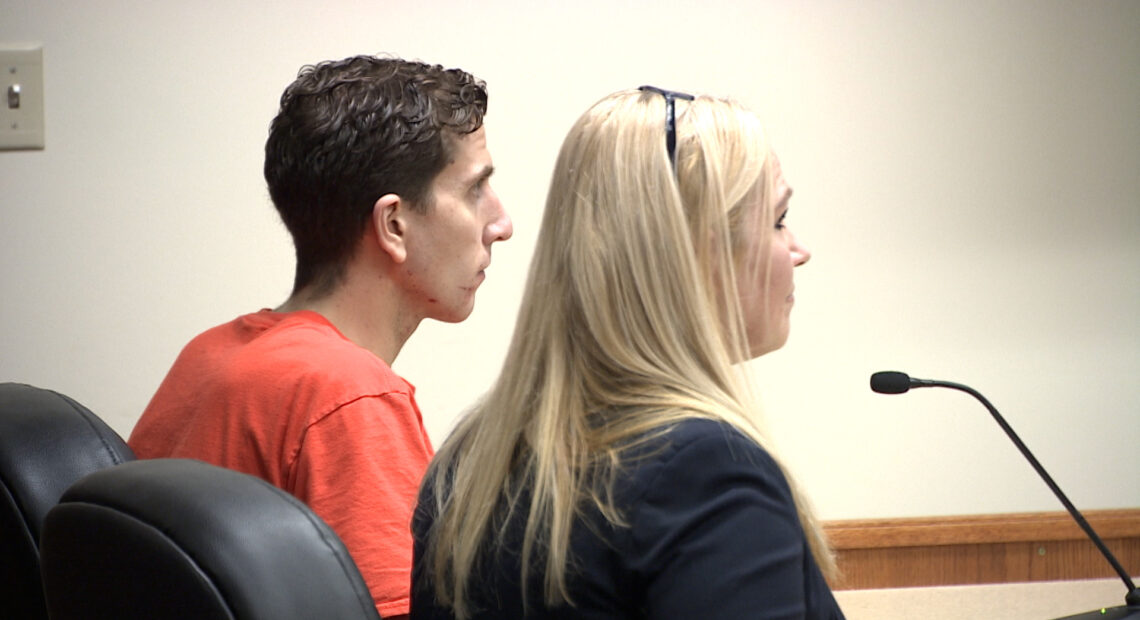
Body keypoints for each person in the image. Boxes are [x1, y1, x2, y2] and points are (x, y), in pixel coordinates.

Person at [411, 86, 843, 619]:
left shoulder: (469, 459)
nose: (798, 251)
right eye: (777, 220)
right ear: (697, 255)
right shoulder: (704, 473)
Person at [129, 55, 513, 619]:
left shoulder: (208, 355)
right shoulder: (347, 397)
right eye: (476, 190)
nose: (501, 223)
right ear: (394, 225)